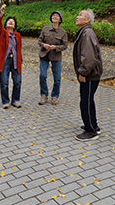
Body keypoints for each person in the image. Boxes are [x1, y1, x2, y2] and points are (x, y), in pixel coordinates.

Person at [73, 9, 103, 141]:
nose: (77, 16)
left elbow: (89, 57)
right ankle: (93, 126)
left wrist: (83, 72)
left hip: (89, 74)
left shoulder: (87, 33)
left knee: (85, 102)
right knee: (88, 100)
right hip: (90, 74)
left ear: (87, 20)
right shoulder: (85, 32)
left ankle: (91, 131)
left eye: (80, 15)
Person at [0, 5, 22, 109]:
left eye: (12, 21)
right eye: (8, 21)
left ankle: (15, 100)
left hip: (15, 60)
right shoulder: (2, 33)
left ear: (14, 25)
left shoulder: (18, 35)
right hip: (4, 60)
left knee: (17, 82)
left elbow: (19, 50)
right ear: (5, 24)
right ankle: (5, 101)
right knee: (4, 82)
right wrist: (1, 15)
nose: (10, 22)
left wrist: (20, 61)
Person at [38, 11, 68, 105]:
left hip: (56, 56)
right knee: (43, 75)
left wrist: (56, 47)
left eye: (57, 16)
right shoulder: (45, 29)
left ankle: (55, 96)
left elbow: (65, 45)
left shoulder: (63, 32)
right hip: (44, 55)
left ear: (60, 19)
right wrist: (44, 45)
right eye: (53, 16)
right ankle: (44, 95)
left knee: (57, 78)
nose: (54, 17)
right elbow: (39, 41)